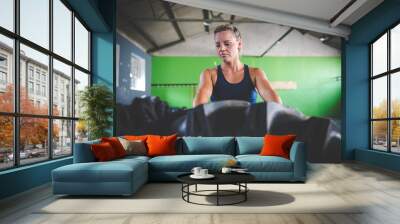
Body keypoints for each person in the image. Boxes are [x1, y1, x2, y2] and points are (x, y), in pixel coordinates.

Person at [193, 24, 282, 107]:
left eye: (227, 44)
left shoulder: (255, 73)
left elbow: (276, 104)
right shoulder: (209, 74)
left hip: (249, 124)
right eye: (217, 45)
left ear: (239, 44)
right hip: (219, 124)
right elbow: (198, 107)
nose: (222, 49)